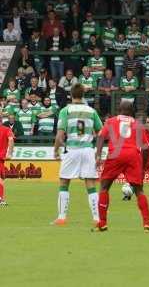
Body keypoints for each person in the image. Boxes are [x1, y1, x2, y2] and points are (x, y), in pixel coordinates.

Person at [95, 101, 149, 233]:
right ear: (132, 111)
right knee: (139, 190)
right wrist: (143, 167)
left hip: (115, 154)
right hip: (133, 155)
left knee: (104, 187)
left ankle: (102, 223)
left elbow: (100, 137)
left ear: (119, 109)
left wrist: (98, 155)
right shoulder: (137, 124)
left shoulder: (110, 121)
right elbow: (146, 148)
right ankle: (147, 224)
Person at [53, 84, 103, 226]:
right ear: (83, 95)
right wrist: (98, 151)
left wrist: (55, 150)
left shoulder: (66, 110)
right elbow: (102, 132)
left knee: (64, 182)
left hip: (72, 149)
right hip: (88, 150)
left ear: (71, 94)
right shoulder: (91, 111)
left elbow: (60, 135)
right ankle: (97, 218)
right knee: (90, 184)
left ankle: (62, 217)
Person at [0, 115, 14, 206]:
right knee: (1, 179)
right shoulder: (7, 129)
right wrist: (10, 153)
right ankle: (1, 199)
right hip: (0, 158)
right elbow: (11, 140)